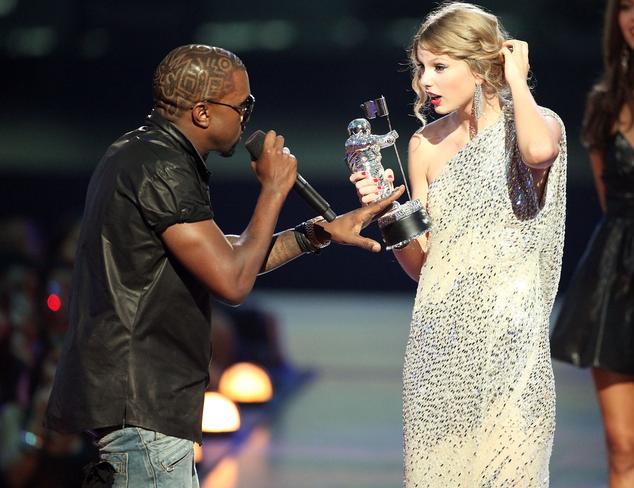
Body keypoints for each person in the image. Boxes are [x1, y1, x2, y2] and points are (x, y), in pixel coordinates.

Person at [43, 44, 404, 488]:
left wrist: (318, 232)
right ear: (201, 112)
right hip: (142, 405)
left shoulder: (144, 153)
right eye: (243, 105)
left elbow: (227, 255)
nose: (248, 116)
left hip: (142, 406)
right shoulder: (160, 167)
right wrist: (273, 189)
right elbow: (232, 281)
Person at [351, 3, 566, 485]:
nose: (426, 80)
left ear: (481, 64)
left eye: (441, 66)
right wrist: (389, 210)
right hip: (439, 347)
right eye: (422, 67)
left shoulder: (537, 124)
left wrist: (515, 81)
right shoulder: (423, 145)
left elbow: (538, 153)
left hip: (513, 347)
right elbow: (421, 265)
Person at [550, 0, 634, 485]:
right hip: (618, 273)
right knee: (624, 443)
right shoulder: (605, 103)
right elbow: (612, 201)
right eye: (627, 6)